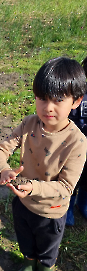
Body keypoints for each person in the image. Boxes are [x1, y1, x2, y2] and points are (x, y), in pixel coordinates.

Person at [0, 57, 87, 271]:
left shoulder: (77, 142)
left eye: (58, 100)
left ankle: (45, 269)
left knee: (47, 246)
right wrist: (3, 170)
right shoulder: (29, 124)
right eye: (42, 98)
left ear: (76, 101)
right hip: (22, 201)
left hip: (51, 209)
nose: (48, 107)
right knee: (25, 238)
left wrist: (33, 187)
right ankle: (29, 263)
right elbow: (0, 150)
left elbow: (66, 187)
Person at [66, 56, 87, 225]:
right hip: (74, 149)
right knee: (74, 179)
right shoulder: (76, 95)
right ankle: (69, 208)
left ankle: (83, 204)